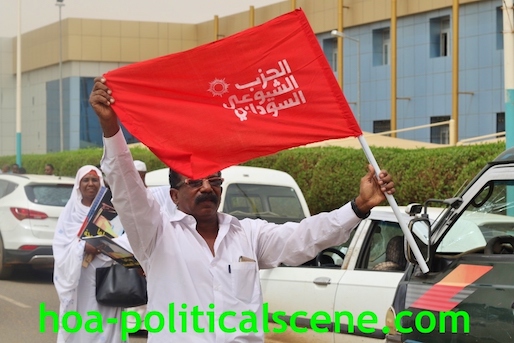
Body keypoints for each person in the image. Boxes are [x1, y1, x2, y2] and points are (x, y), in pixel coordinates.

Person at [90, 76, 395, 342]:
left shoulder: (246, 233)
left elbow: (303, 238)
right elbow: (126, 187)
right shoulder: (154, 235)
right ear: (174, 195)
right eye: (195, 182)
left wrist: (359, 206)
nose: (207, 188)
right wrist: (110, 128)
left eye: (215, 180)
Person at [52, 165, 127, 343]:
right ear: (79, 184)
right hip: (80, 277)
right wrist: (83, 247)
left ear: (101, 183)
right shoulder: (69, 213)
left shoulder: (112, 211)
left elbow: (124, 239)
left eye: (95, 179)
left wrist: (103, 246)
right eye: (86, 180)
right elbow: (60, 246)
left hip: (107, 275)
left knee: (106, 320)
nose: (90, 184)